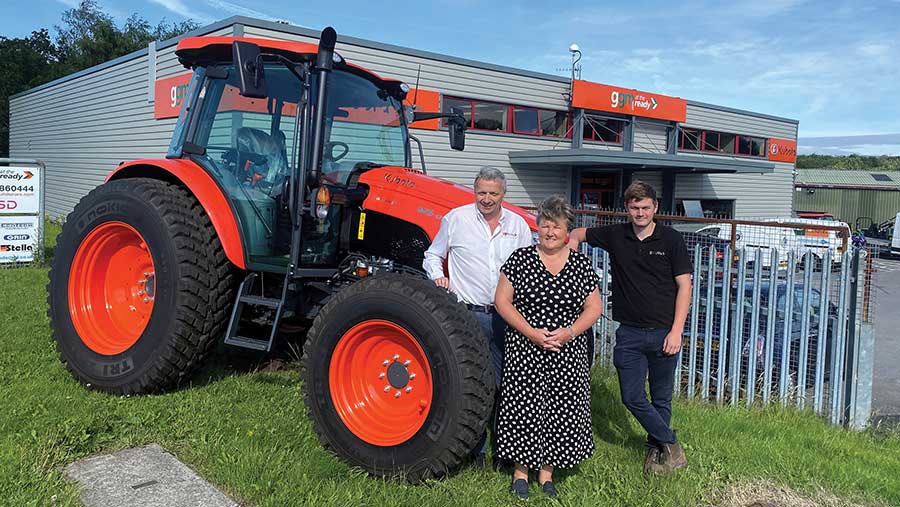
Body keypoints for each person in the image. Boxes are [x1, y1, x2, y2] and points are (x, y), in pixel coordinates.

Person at [568, 181, 692, 477]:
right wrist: (572, 265)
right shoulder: (616, 234)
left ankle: (657, 452)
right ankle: (672, 444)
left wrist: (676, 332)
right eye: (634, 208)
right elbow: (576, 234)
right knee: (632, 397)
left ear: (655, 208)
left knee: (661, 399)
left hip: (664, 332)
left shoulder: (671, 240)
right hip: (630, 334)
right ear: (627, 209)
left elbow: (684, 286)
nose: (640, 212)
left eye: (645, 207)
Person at [494, 195, 603, 500]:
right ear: (537, 226)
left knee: (560, 410)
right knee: (523, 408)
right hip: (526, 348)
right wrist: (531, 332)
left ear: (567, 229)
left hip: (566, 352)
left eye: (557, 226)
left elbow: (594, 308)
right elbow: (501, 301)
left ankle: (547, 474)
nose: (550, 232)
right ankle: (520, 473)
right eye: (545, 225)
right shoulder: (520, 259)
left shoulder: (580, 264)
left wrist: (569, 332)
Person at [423, 166, 532, 467]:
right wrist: (438, 278)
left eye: (493, 193)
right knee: (471, 384)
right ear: (474, 191)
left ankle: (505, 451)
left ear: (503, 194)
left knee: (505, 386)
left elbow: (528, 267)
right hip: (467, 316)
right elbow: (433, 255)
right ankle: (476, 452)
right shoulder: (456, 219)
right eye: (481, 192)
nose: (486, 199)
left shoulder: (518, 225)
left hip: (506, 317)